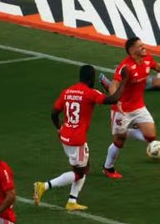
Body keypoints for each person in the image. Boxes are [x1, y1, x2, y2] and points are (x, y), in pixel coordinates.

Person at [33, 64, 126, 211]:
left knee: (81, 167)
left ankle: (72, 201)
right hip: (78, 140)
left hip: (65, 137)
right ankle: (44, 186)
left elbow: (53, 113)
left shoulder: (67, 92)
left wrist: (59, 128)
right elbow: (113, 99)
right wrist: (124, 80)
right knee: (80, 172)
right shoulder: (89, 93)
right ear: (92, 78)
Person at [100, 37, 160, 179]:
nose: (144, 47)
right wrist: (116, 100)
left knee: (151, 137)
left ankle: (128, 131)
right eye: (140, 46)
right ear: (132, 50)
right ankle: (108, 168)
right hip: (122, 108)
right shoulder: (125, 67)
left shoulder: (147, 59)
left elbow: (156, 66)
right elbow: (114, 84)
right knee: (118, 142)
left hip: (138, 106)